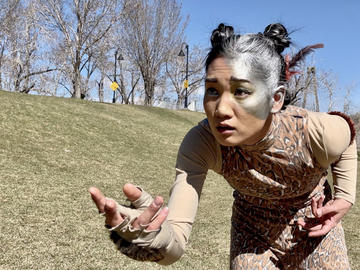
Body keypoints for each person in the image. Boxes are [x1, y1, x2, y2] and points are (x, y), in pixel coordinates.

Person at [89, 23, 357, 269]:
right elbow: (175, 246)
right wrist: (149, 236)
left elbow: (346, 140)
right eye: (213, 91)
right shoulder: (203, 143)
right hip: (252, 235)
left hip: (314, 227)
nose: (220, 109)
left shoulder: (311, 132)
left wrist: (345, 196)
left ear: (275, 99)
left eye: (241, 91)